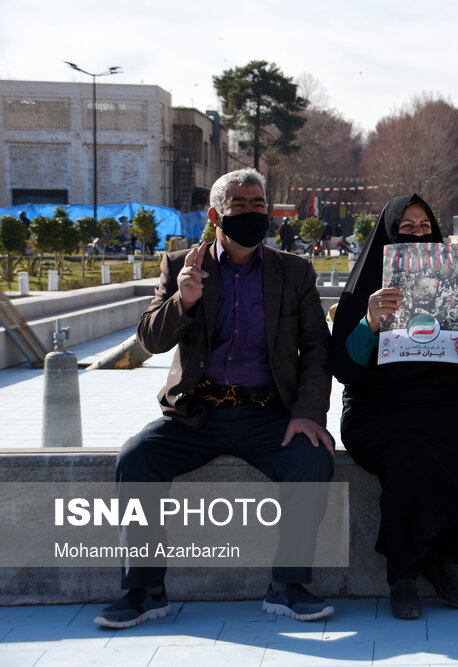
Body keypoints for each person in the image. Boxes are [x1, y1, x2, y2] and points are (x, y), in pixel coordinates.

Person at [94, 168, 335, 629]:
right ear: (215, 213)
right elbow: (150, 338)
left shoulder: (294, 271)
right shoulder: (183, 263)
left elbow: (316, 349)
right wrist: (183, 300)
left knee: (312, 460)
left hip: (267, 414)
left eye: (258, 204)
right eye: (239, 205)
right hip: (196, 414)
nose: (250, 212)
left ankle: (287, 585)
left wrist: (307, 414)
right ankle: (144, 590)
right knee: (137, 458)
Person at [329, 193, 458, 620]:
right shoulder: (364, 288)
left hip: (443, 396)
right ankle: (402, 576)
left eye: (424, 226)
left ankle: (447, 556)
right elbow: (344, 367)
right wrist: (370, 321)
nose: (417, 233)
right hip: (380, 405)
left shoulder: (448, 278)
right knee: (408, 456)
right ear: (388, 231)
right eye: (406, 227)